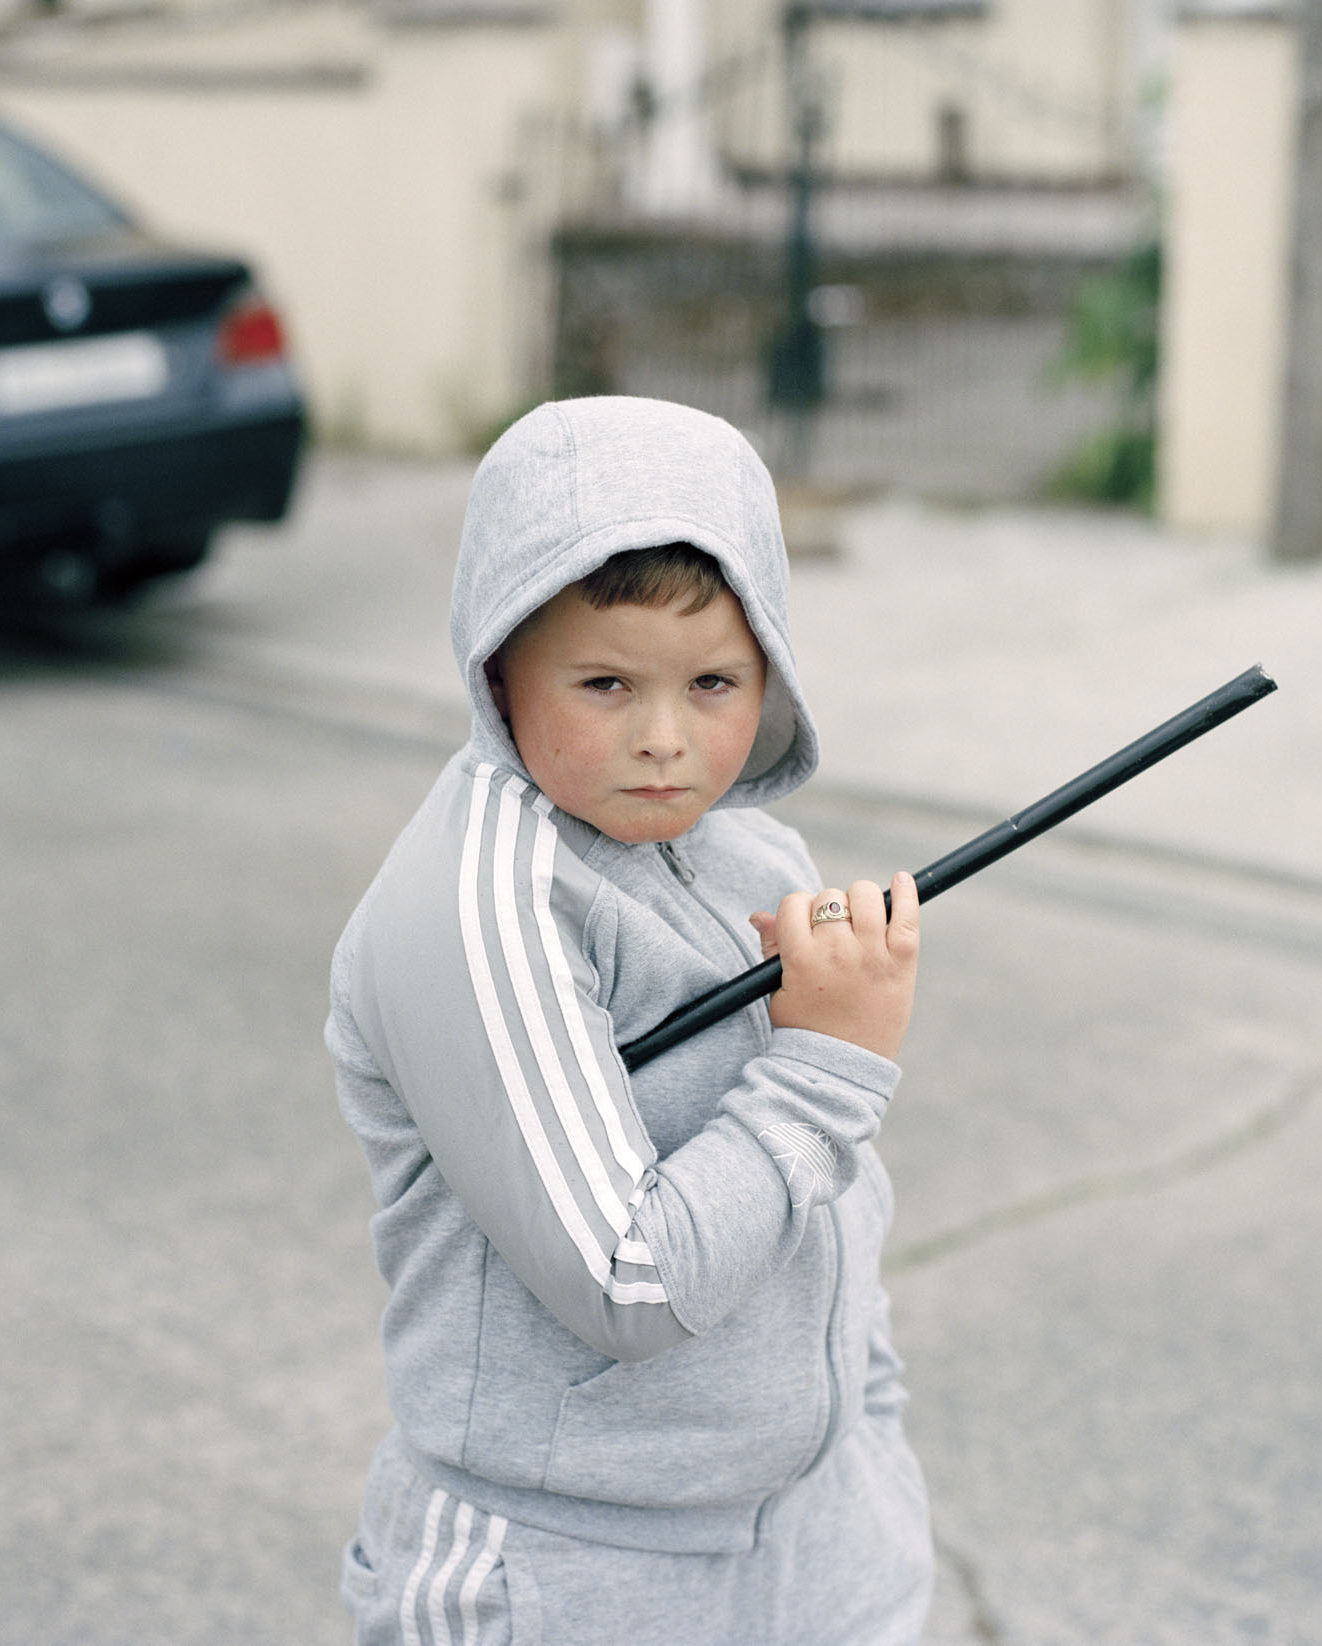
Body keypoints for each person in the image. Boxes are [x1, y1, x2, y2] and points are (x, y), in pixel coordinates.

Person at [325, 396, 930, 1645]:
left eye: (713, 681)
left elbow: (835, 1208)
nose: (665, 740)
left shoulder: (752, 848)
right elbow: (630, 1276)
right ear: (500, 665)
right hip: (569, 1567)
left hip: (812, 1539)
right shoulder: (480, 900)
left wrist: (868, 1439)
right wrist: (828, 1060)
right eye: (606, 682)